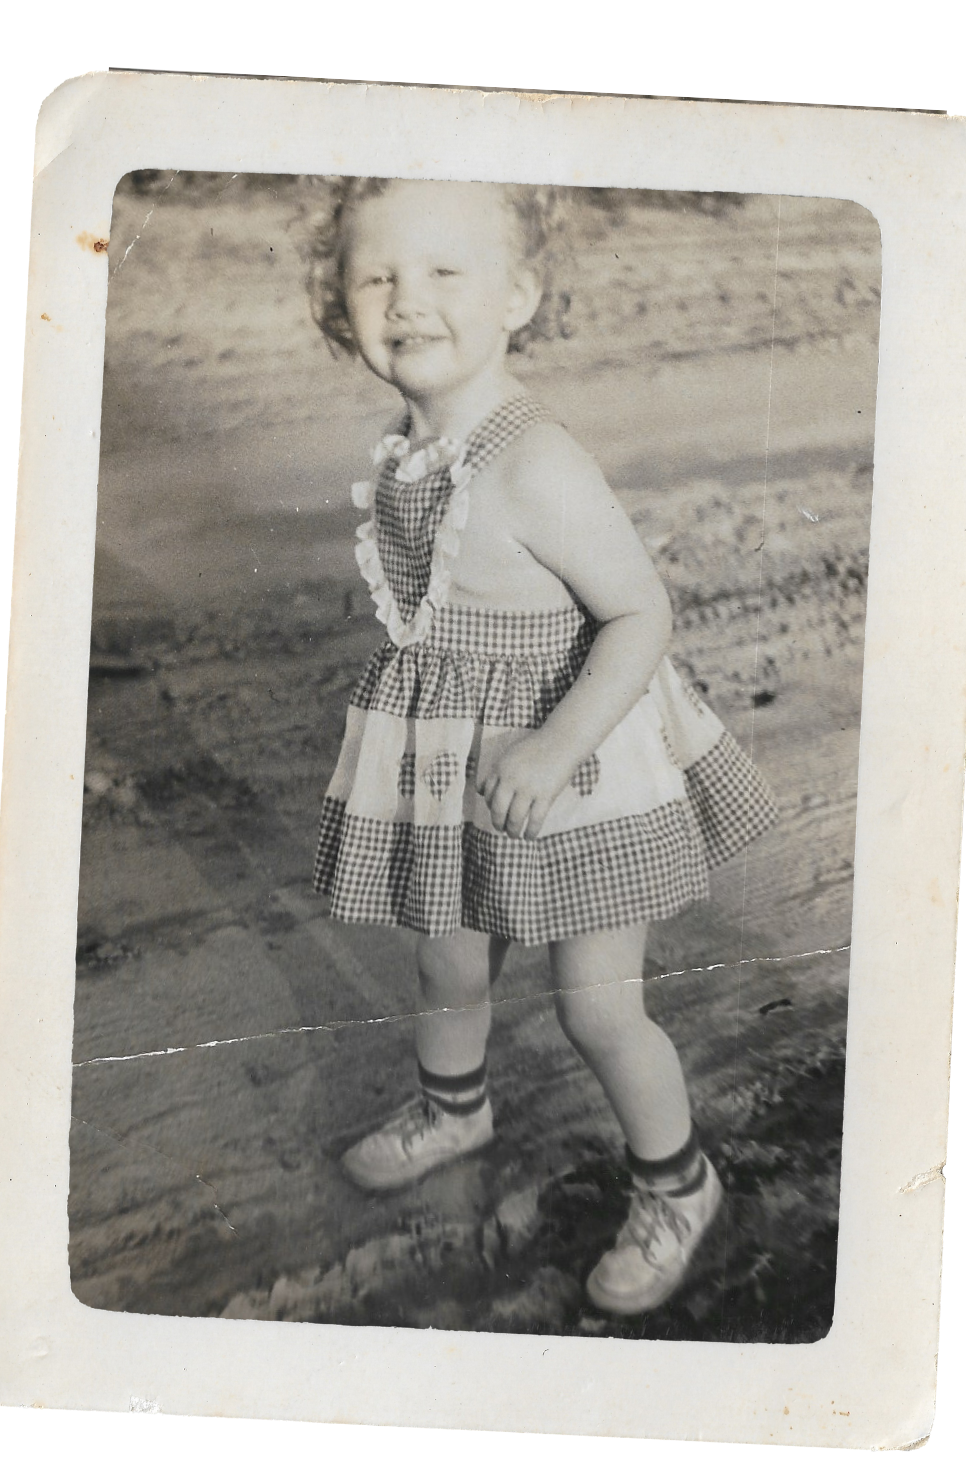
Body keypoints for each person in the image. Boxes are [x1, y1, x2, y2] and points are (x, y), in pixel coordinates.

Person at [303, 177, 778, 1315]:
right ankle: (455, 1108)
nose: (404, 300)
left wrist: (557, 745)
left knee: (597, 1007)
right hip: (460, 758)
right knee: (449, 957)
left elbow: (641, 615)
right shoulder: (410, 449)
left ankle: (680, 1184)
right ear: (338, 305)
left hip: (580, 762)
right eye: (375, 277)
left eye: (443, 272)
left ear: (518, 296)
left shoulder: (535, 460)